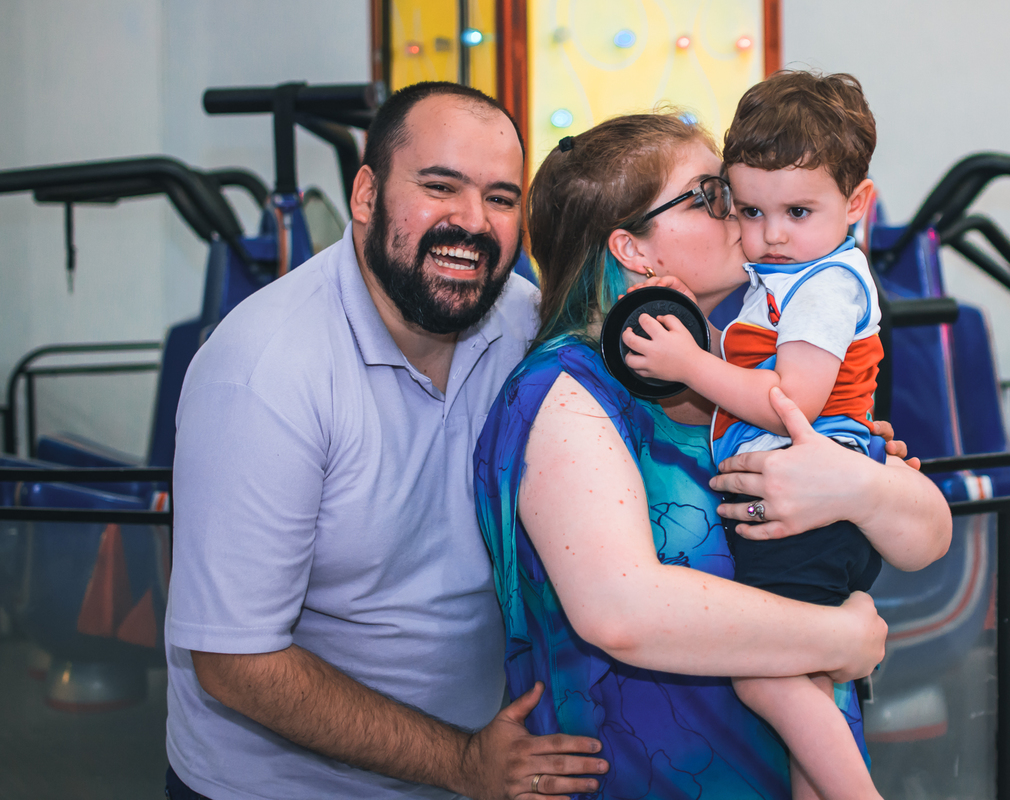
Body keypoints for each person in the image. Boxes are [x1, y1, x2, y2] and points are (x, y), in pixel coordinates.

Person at [474, 112, 952, 798]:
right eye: (710, 196)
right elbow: (623, 611)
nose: (742, 216)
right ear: (632, 248)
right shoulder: (563, 393)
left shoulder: (742, 369)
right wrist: (839, 637)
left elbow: (927, 536)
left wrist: (860, 486)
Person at [164, 82, 610, 800]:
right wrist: (464, 762)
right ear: (366, 194)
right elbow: (234, 660)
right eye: (440, 187)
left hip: (475, 765)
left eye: (500, 198)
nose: (473, 222)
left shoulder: (525, 329)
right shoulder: (265, 370)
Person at [619, 71, 888, 799]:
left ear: (855, 204)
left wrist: (690, 365)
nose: (770, 235)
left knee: (766, 679)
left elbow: (789, 399)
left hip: (808, 513)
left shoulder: (826, 285)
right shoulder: (790, 274)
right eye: (750, 209)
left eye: (798, 210)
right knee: (803, 678)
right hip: (807, 501)